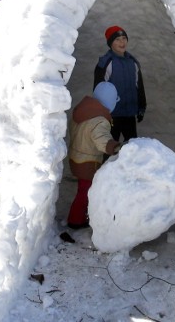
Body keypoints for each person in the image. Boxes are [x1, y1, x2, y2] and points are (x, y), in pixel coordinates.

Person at [67, 82, 122, 229]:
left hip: (75, 157)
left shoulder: (82, 111)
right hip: (88, 162)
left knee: (82, 190)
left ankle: (79, 216)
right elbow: (101, 139)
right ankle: (75, 220)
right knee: (85, 192)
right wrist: (114, 146)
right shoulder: (100, 120)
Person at [94, 26, 146, 142]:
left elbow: (139, 86)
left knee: (132, 147)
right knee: (109, 149)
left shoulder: (132, 62)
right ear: (110, 43)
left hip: (129, 115)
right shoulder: (106, 62)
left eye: (124, 38)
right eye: (117, 39)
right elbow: (99, 90)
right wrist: (102, 114)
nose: (122, 42)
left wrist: (141, 107)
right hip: (112, 117)